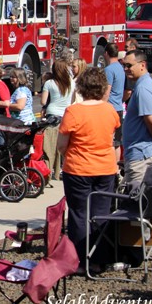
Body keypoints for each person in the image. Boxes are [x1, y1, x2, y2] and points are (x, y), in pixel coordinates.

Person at [57, 67, 120, 269]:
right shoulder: (110, 110)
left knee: (79, 214)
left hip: (78, 168)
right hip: (105, 168)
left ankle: (80, 259)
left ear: (81, 87)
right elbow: (112, 138)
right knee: (101, 213)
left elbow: (61, 145)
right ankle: (98, 258)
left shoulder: (74, 111)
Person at [122, 50, 152, 185]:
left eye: (129, 65)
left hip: (141, 156)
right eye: (124, 65)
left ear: (142, 65)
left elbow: (151, 120)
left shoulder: (143, 88)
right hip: (141, 153)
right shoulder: (143, 84)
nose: (126, 69)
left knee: (137, 195)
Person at [40, 60, 73, 181]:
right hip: (66, 115)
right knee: (62, 146)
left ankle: (48, 173)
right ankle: (59, 172)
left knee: (49, 147)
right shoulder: (71, 82)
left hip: (52, 115)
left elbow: (43, 101)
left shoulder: (49, 83)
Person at [102, 43, 126, 163]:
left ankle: (110, 166)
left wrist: (100, 106)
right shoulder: (121, 68)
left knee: (109, 141)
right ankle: (116, 167)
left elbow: (106, 92)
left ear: (106, 53)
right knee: (117, 142)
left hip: (110, 108)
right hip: (119, 108)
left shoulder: (109, 70)